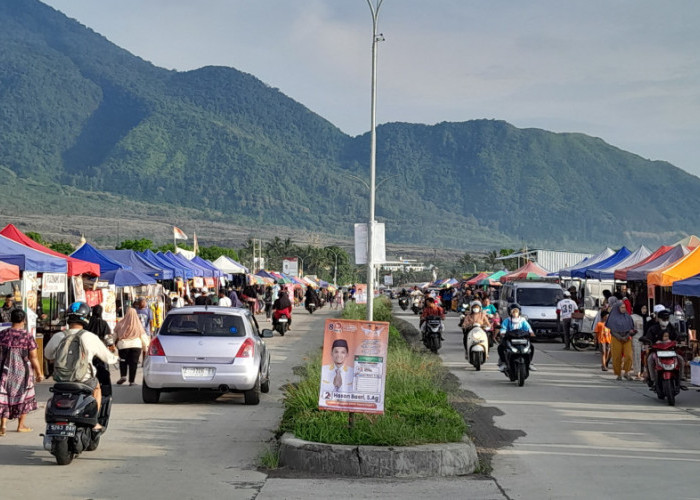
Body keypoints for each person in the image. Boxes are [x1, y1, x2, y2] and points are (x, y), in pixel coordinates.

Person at [44, 302, 118, 429]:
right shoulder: (90, 337)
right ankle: (94, 421)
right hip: (84, 380)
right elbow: (109, 358)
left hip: (61, 380)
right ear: (85, 318)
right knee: (97, 388)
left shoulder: (58, 336)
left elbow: (47, 354)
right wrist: (115, 355)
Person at [0, 309, 44, 435]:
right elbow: (33, 357)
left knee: (4, 396)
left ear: (11, 319)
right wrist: (39, 373)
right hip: (22, 372)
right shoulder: (27, 336)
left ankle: (3, 424)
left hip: (4, 370)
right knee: (25, 396)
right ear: (24, 320)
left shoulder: (3, 334)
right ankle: (21, 425)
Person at [644, 309, 686, 389]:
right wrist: (647, 344)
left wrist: (681, 341)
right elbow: (648, 338)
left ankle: (680, 379)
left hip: (670, 351)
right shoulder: (653, 328)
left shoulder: (671, 327)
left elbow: (677, 335)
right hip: (657, 352)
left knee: (680, 359)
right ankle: (653, 380)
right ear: (658, 319)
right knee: (650, 360)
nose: (665, 321)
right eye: (663, 319)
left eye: (667, 319)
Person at [113, 308, 148, 386]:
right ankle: (132, 381)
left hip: (123, 345)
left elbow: (114, 335)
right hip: (136, 345)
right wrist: (145, 348)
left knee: (123, 361)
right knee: (133, 363)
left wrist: (112, 345)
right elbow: (143, 337)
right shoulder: (138, 324)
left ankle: (123, 376)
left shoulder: (120, 323)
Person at [498, 304, 536, 371]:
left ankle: (529, 363)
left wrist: (531, 332)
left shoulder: (523, 320)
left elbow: (528, 328)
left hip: (522, 338)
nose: (515, 313)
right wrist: (502, 332)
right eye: (513, 311)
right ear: (510, 312)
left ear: (519, 312)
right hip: (510, 338)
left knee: (531, 347)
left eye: (516, 311)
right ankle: (503, 363)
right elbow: (503, 328)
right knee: (500, 347)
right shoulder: (507, 320)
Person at [86, 305, 114, 397]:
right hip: (100, 351)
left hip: (87, 350)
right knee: (103, 371)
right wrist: (111, 346)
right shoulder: (103, 323)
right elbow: (108, 338)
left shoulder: (87, 323)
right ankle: (105, 392)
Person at [606, 298, 636, 381]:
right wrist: (620, 337)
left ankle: (627, 372)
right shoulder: (612, 318)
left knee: (629, 356)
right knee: (617, 357)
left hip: (627, 338)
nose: (624, 309)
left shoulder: (628, 317)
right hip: (616, 338)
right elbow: (612, 330)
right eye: (622, 307)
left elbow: (631, 328)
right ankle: (618, 374)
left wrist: (627, 336)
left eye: (624, 307)